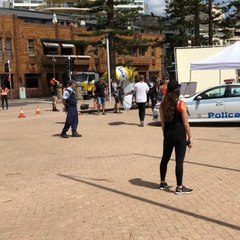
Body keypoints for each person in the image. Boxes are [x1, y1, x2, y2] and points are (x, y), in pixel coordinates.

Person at [159, 80, 193, 194]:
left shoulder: (163, 104)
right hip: (179, 135)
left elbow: (162, 123)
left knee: (165, 159)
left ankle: (162, 182)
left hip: (168, 135)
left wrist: (165, 134)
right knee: (179, 161)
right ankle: (179, 187)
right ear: (177, 91)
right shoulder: (181, 104)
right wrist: (190, 137)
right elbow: (186, 123)